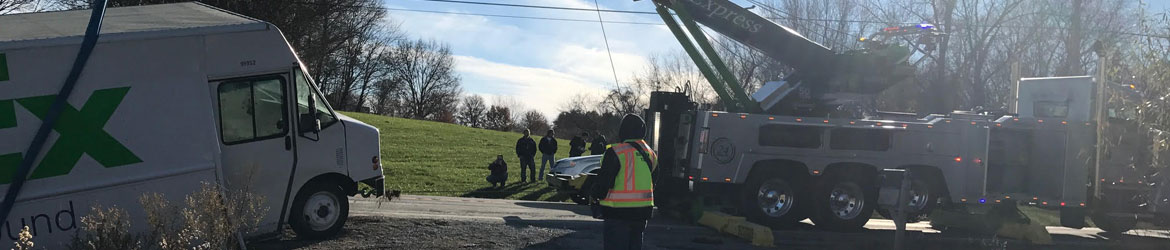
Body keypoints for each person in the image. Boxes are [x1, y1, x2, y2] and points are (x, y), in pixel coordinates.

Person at [591, 114, 657, 250]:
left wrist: (595, 195)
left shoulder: (615, 152)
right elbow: (653, 181)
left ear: (623, 130)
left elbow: (603, 182)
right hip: (642, 212)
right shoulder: (650, 154)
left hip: (617, 212)